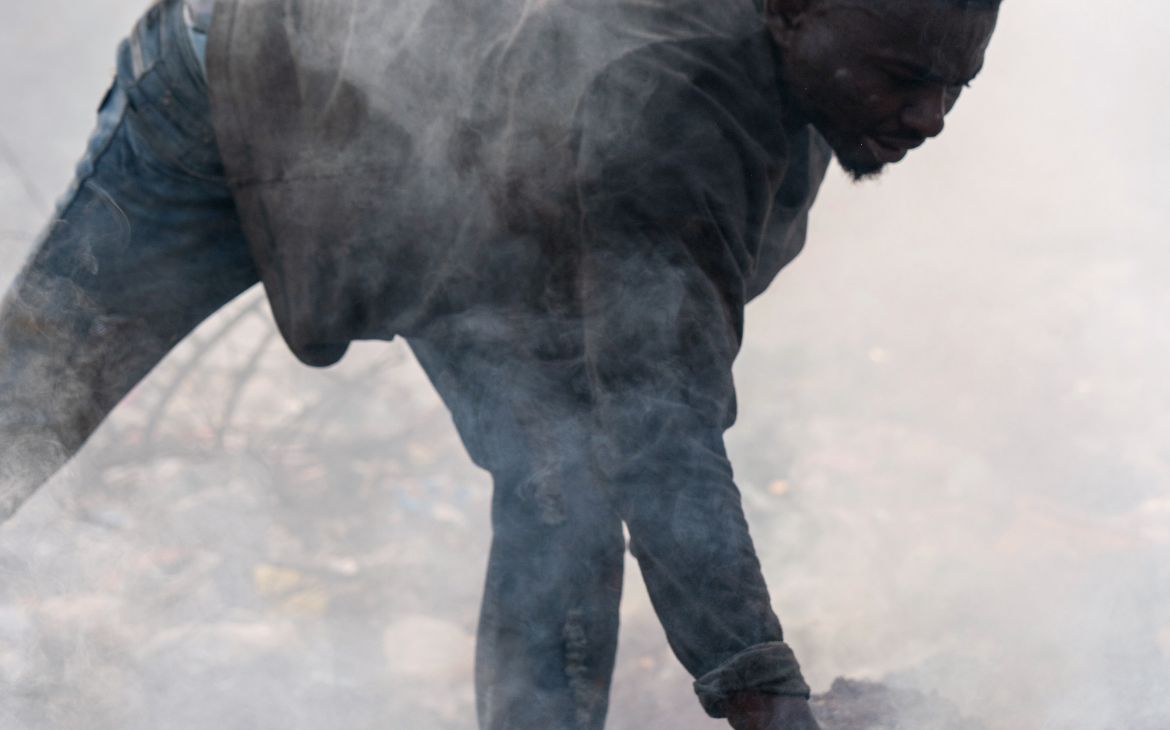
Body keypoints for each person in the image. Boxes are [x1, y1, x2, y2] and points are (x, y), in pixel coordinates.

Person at [0, 0, 1000, 727]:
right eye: (905, 78)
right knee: (32, 397)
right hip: (246, 86)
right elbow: (662, 436)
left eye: (956, 85)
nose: (932, 119)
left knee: (557, 478)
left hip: (462, 192)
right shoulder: (674, 105)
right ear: (790, 13)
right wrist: (771, 703)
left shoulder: (786, 83)